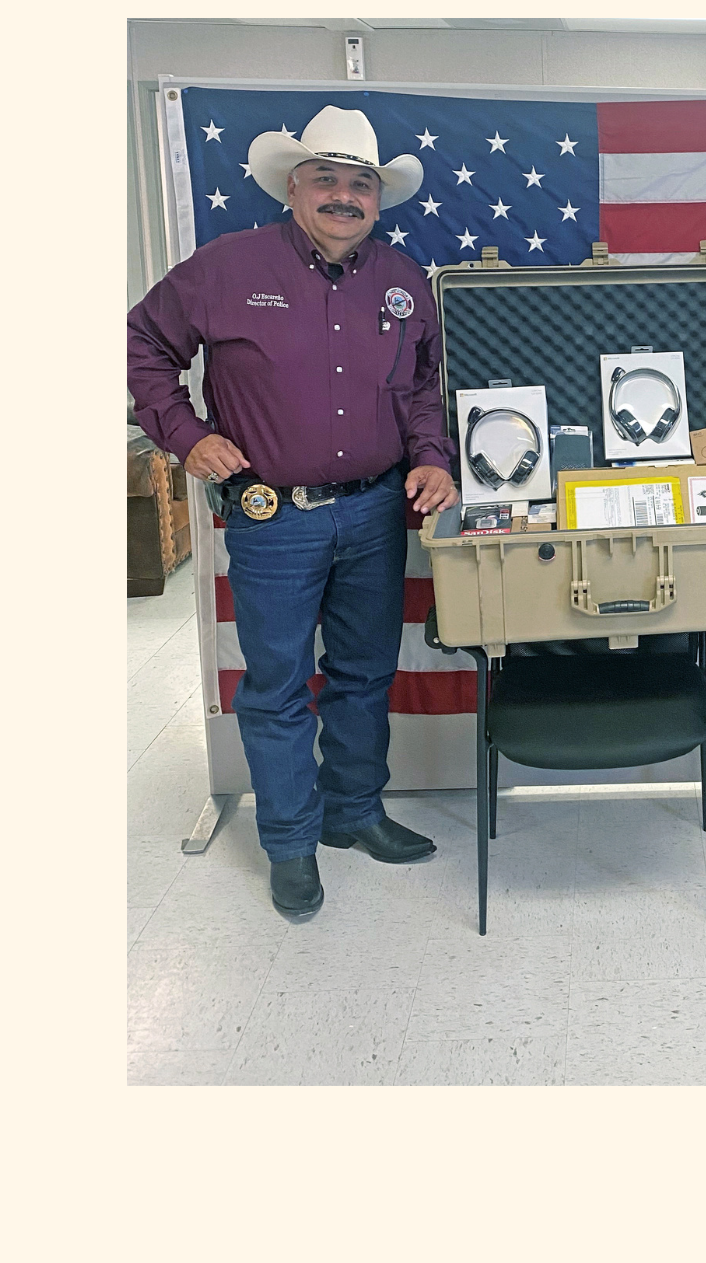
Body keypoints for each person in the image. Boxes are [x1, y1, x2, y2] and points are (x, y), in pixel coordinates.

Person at [127, 105, 460, 921]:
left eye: (360, 184)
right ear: (293, 187)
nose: (344, 196)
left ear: (378, 198)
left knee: (363, 676)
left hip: (376, 513)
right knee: (276, 687)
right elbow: (143, 345)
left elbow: (423, 386)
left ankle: (353, 813)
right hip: (273, 521)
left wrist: (431, 456)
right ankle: (289, 844)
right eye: (326, 179)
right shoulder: (226, 267)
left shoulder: (402, 279)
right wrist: (187, 436)